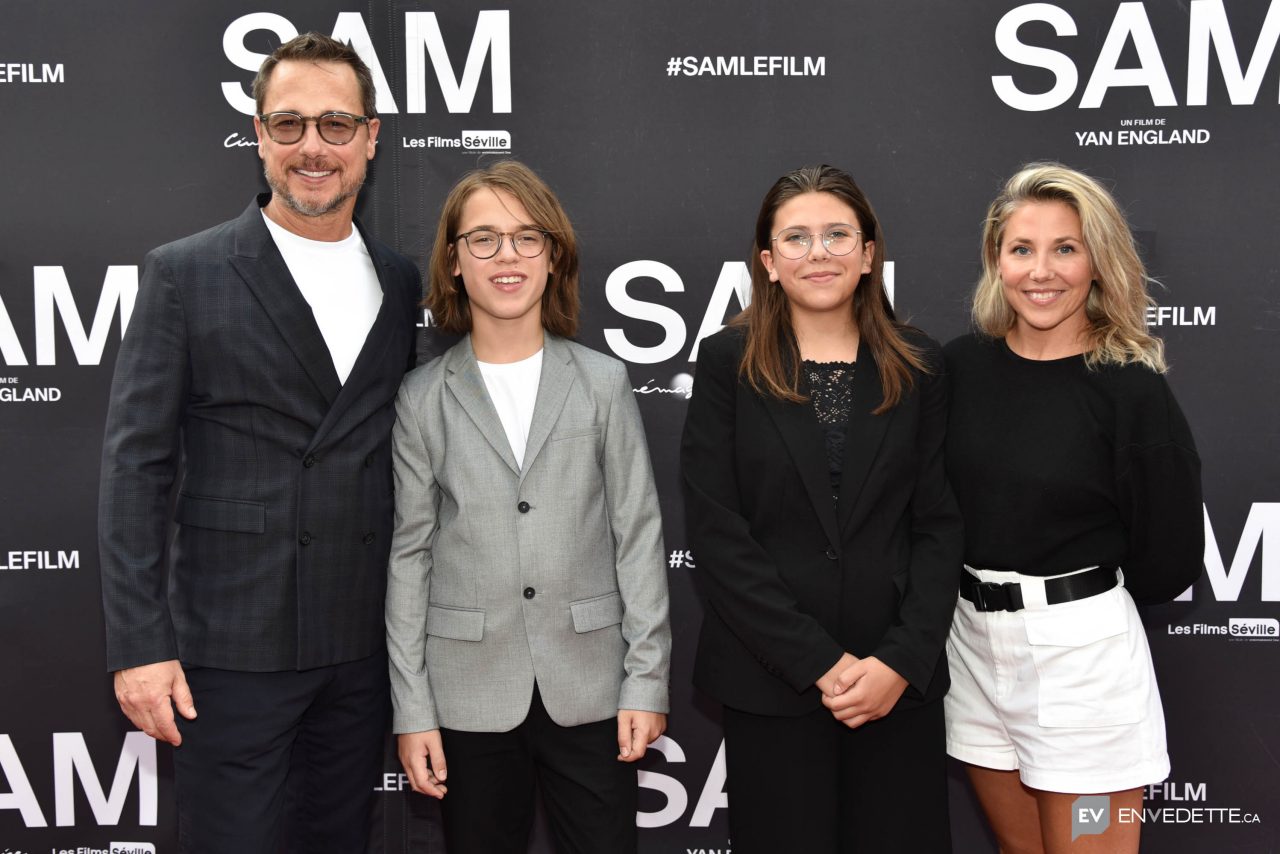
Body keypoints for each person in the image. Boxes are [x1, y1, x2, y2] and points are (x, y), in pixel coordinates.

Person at [98, 33, 420, 853]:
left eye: (336, 124)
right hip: (231, 649)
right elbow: (136, 466)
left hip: (359, 646)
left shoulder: (401, 278)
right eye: (289, 124)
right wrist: (140, 645)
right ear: (258, 133)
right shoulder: (186, 271)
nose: (313, 147)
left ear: (371, 137)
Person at [386, 160, 671, 854]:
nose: (505, 256)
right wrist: (412, 708)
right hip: (468, 695)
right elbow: (410, 555)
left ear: (553, 256)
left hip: (593, 688)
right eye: (482, 239)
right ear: (454, 262)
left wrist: (646, 682)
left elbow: (637, 535)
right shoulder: (422, 397)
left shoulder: (602, 382)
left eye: (525, 237)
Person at [681, 164, 963, 853]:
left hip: (897, 687)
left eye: (839, 235)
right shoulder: (727, 363)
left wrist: (899, 660)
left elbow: (939, 523)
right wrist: (819, 662)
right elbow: (719, 534)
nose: (820, 253)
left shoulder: (920, 362)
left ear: (868, 254)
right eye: (798, 238)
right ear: (769, 263)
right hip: (772, 681)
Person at [943, 163, 1204, 854]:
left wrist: (1076, 603)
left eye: (1066, 248)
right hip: (969, 649)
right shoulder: (960, 370)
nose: (1041, 271)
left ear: (1098, 261)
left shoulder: (1131, 391)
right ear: (996, 259)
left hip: (1084, 669)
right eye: (1021, 249)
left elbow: (1169, 554)